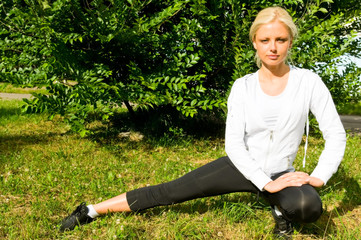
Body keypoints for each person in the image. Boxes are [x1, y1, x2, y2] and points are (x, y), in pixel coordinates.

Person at [59, 6, 346, 238]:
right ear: (255, 44)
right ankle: (92, 210)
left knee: (308, 206)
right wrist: (263, 183)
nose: (273, 47)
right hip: (242, 167)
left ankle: (282, 211)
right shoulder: (242, 86)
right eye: (265, 40)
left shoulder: (308, 82)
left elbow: (335, 134)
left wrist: (317, 176)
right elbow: (233, 143)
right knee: (169, 191)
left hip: (283, 173)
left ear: (290, 42)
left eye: (280, 40)